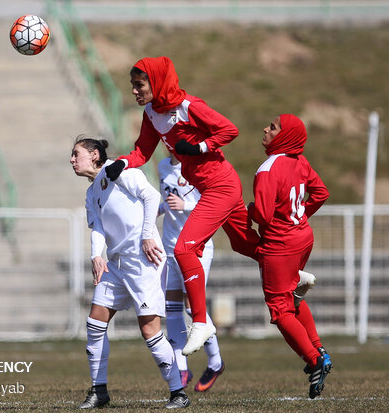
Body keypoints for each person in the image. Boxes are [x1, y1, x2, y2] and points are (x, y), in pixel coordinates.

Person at [104, 56, 263, 356]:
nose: (134, 92)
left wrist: (201, 147)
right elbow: (142, 151)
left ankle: (201, 323)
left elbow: (229, 130)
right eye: (132, 86)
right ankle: (292, 272)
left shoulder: (189, 106)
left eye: (139, 86)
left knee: (183, 250)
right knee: (244, 245)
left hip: (221, 185)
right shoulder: (151, 112)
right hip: (208, 187)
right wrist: (121, 163)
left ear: (157, 83)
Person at [70, 136, 190, 409]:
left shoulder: (119, 171)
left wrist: (148, 235)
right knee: (95, 323)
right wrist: (96, 257)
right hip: (116, 263)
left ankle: (178, 392)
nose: (72, 159)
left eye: (77, 154)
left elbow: (152, 196)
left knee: (149, 330)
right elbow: (98, 227)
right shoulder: (91, 193)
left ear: (95, 155)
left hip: (143, 260)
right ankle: (99, 390)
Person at [247, 114, 332, 399]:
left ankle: (314, 359)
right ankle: (318, 347)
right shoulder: (300, 161)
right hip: (303, 238)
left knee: (279, 309)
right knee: (293, 297)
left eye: (273, 126)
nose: (266, 128)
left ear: (285, 135)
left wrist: (248, 211)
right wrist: (298, 217)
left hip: (280, 245)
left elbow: (262, 214)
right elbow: (320, 193)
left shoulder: (268, 168)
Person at [157, 152, 225, 392]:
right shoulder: (163, 166)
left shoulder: (198, 168)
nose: (169, 144)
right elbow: (166, 200)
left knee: (191, 306)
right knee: (171, 308)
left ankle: (216, 362)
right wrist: (157, 209)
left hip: (197, 245)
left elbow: (215, 202)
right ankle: (182, 368)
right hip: (169, 246)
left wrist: (185, 205)